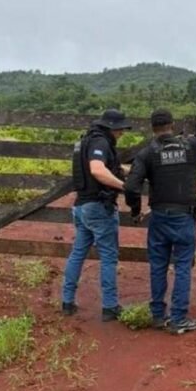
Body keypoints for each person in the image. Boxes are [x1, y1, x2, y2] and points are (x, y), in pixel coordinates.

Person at [124, 109, 196, 335]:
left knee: (158, 266)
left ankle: (158, 315)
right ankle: (178, 318)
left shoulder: (147, 153)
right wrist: (192, 138)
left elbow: (131, 186)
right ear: (172, 124)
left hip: (158, 216)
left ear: (152, 127)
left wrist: (136, 210)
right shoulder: (190, 147)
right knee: (182, 267)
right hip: (183, 216)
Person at [61, 109, 131, 322]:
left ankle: (67, 301)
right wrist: (125, 187)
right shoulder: (100, 143)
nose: (122, 133)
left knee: (78, 253)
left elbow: (113, 167)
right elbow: (98, 170)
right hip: (99, 207)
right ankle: (110, 306)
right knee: (109, 256)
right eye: (120, 129)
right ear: (112, 127)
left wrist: (138, 170)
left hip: (82, 206)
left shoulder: (87, 140)